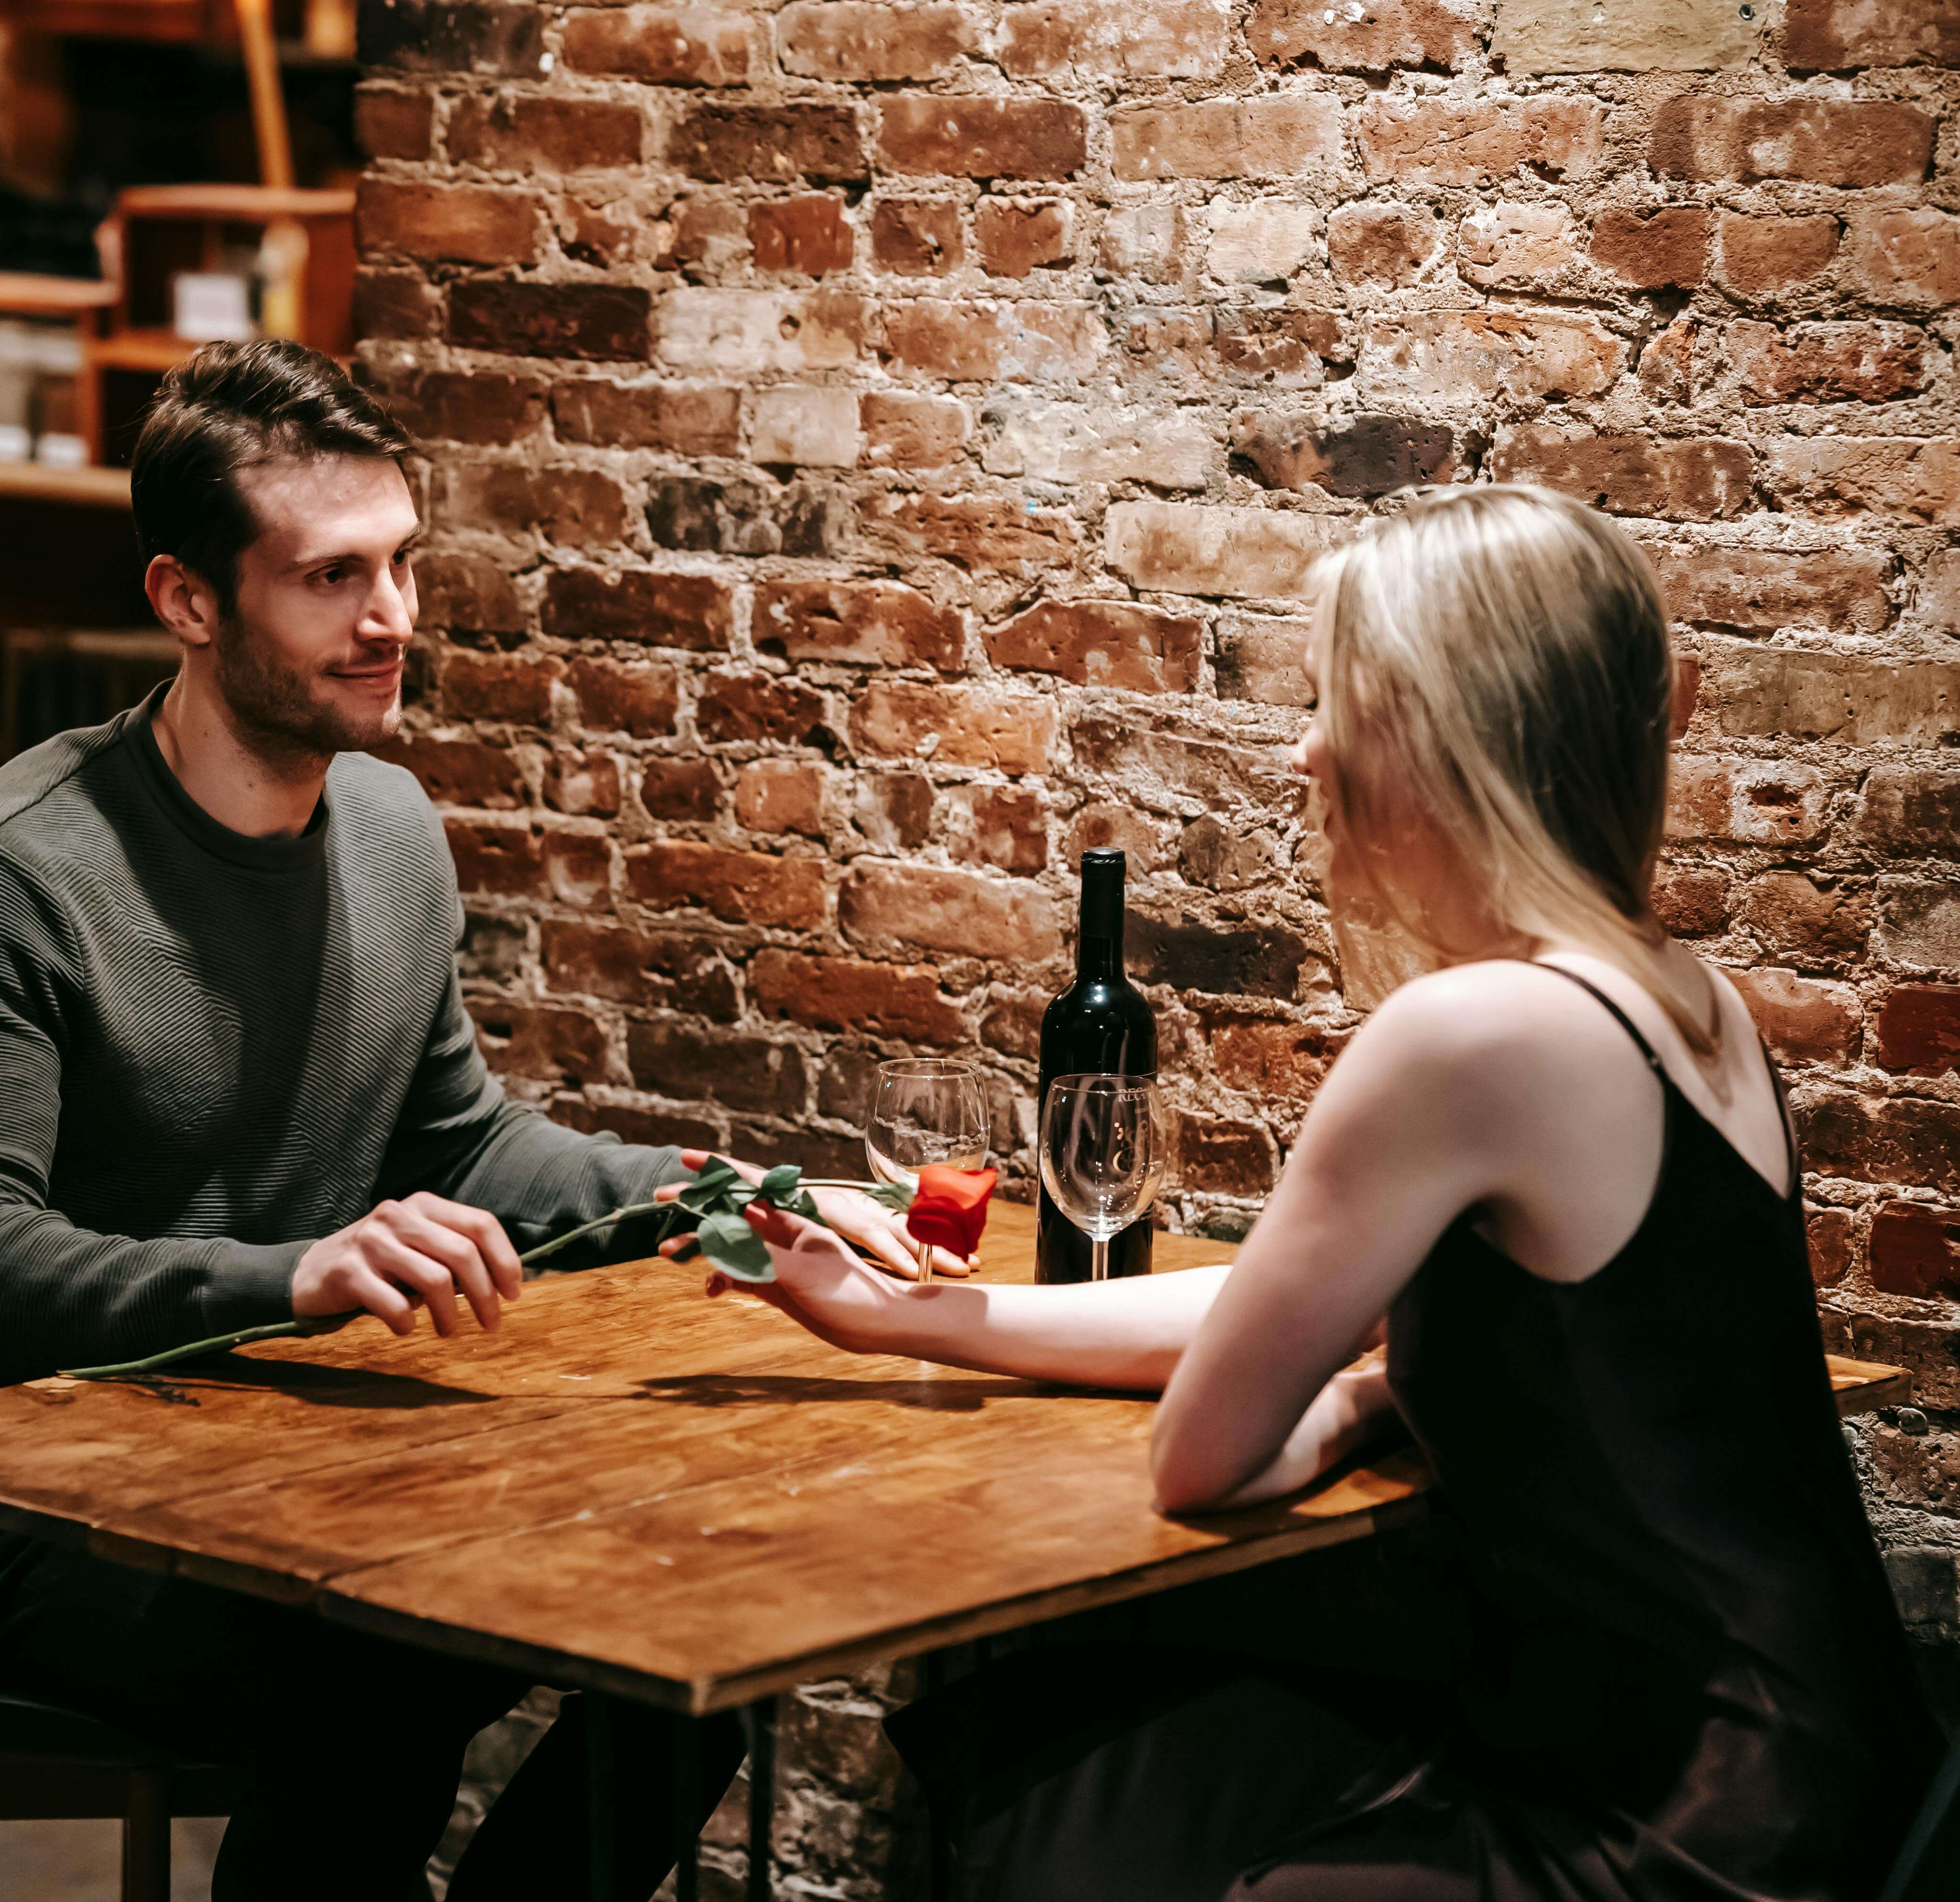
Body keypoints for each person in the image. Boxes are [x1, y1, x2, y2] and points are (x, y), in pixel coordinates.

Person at [704, 484, 1941, 1900]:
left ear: (1437, 733)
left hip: (1666, 1833)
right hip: (1836, 1768)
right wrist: (914, 1318)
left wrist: (1369, 1386)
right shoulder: (1689, 995)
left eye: (1336, 698)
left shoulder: (1466, 1035)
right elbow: (1288, 1298)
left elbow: (1204, 1456)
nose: (1304, 748)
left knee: (1068, 1773)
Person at [0, 338, 935, 1898]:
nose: (393, 620)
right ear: (188, 600)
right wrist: (292, 1273)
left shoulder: (386, 824)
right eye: (332, 577)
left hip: (264, 1455)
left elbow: (462, 1144)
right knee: (377, 1655)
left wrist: (740, 1197)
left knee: (692, 1617)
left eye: (405, 563)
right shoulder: (4, 885)